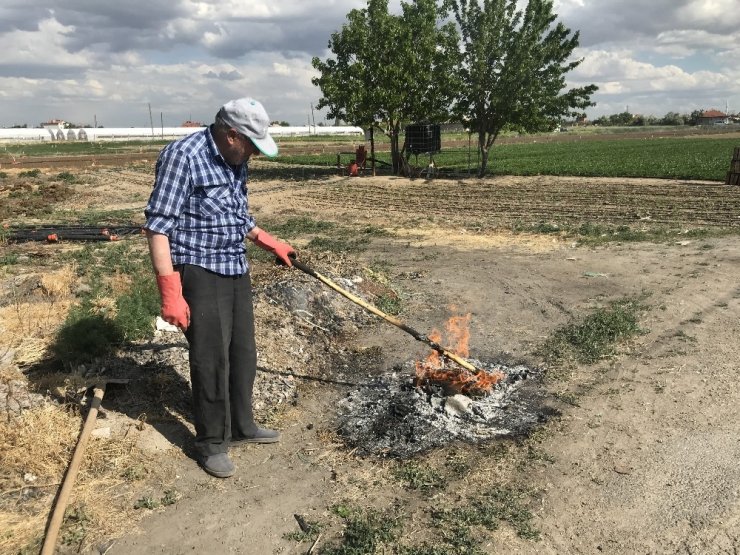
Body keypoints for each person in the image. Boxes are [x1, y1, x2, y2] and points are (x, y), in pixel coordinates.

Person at [144, 97, 296, 478]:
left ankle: (242, 425)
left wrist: (267, 240)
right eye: (251, 146)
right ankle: (211, 441)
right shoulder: (184, 156)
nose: (254, 156)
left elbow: (235, 214)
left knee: (242, 351)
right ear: (232, 135)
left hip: (234, 264)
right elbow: (158, 226)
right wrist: (170, 291)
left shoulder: (236, 160)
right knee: (211, 358)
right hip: (198, 267)